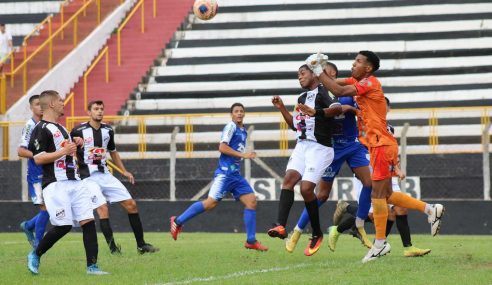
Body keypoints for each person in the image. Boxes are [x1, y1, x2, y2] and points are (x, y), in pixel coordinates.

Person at [301, 51, 444, 263]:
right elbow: (331, 83)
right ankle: (429, 209)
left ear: (368, 68)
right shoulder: (357, 80)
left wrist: (319, 70)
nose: (353, 64)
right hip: (378, 145)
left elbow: (337, 89)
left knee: (378, 195)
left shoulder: (369, 83)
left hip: (381, 145)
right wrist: (317, 72)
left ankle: (380, 244)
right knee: (384, 195)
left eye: (358, 61)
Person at [284, 62, 373, 253]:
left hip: (352, 144)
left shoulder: (345, 92)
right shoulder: (319, 96)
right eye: (323, 74)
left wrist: (355, 110)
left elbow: (358, 108)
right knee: (321, 195)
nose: (327, 78)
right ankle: (298, 231)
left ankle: (359, 226)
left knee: (369, 182)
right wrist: (344, 109)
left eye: (330, 75)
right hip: (331, 147)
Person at [329, 97, 431, 257]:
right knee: (372, 214)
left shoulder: (388, 128)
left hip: (387, 171)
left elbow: (390, 150)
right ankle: (343, 218)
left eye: (384, 105)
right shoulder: (362, 123)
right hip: (368, 170)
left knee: (399, 209)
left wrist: (396, 168)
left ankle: (403, 247)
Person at [26, 90, 108, 275]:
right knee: (64, 225)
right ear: (52, 104)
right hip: (56, 183)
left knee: (88, 222)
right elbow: (39, 158)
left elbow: (65, 148)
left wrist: (75, 142)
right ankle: (36, 254)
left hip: (76, 182)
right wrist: (63, 152)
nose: (64, 103)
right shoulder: (41, 128)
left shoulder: (62, 128)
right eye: (61, 100)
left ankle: (92, 267)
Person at [170, 103, 268, 251]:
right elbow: (222, 147)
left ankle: (251, 240)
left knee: (251, 202)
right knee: (210, 204)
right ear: (232, 114)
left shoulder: (243, 131)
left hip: (235, 175)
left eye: (242, 111)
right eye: (236, 111)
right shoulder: (231, 127)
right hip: (225, 174)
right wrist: (243, 155)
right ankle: (177, 221)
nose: (239, 113)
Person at [268, 64, 342, 256]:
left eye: (302, 74)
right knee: (288, 180)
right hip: (302, 145)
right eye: (297, 75)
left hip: (320, 147)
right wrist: (281, 107)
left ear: (313, 74)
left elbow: (337, 109)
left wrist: (316, 112)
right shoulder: (301, 98)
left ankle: (317, 233)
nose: (299, 78)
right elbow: (295, 125)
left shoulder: (325, 91)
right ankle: (280, 226)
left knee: (306, 189)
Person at [71, 100, 158, 255]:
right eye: (96, 109)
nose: (99, 111)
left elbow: (113, 152)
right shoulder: (78, 130)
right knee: (103, 209)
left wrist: (124, 171)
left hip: (105, 174)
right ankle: (113, 249)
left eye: (101, 109)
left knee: (131, 205)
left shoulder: (108, 130)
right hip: (87, 177)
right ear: (88, 112)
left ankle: (141, 245)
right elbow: (68, 149)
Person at [18, 95, 50, 250]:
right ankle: (38, 245)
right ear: (31, 108)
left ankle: (29, 225)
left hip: (50, 173)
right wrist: (38, 155)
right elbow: (20, 151)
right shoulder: (30, 126)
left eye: (42, 104)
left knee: (51, 208)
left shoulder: (47, 125)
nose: (41, 107)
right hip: (36, 175)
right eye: (37, 104)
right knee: (46, 208)